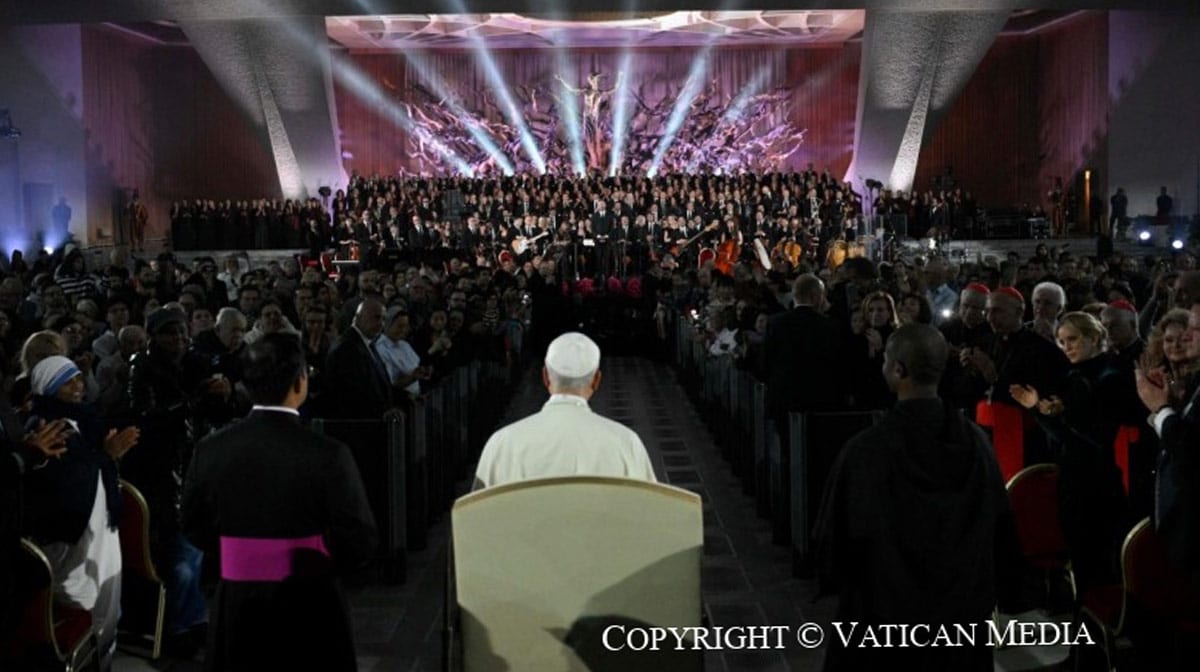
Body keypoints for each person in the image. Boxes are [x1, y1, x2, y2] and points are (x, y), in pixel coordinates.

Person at [815, 324, 1020, 672]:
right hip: (959, 622)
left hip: (884, 627)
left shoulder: (866, 450)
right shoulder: (975, 443)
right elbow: (999, 526)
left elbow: (831, 543)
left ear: (898, 370)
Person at [183, 334, 377, 672]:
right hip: (310, 600)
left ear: (246, 384)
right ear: (300, 380)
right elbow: (359, 537)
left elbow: (193, 524)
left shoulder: (211, 449)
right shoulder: (328, 453)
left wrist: (244, 555)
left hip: (238, 598)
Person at [22, 356, 139, 668]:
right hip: (75, 535)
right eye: (67, 381)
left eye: (77, 379)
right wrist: (106, 456)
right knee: (86, 602)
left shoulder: (82, 418)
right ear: (50, 388)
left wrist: (108, 456)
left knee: (107, 601)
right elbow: (65, 482)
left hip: (99, 525)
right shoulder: (46, 424)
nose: (77, 386)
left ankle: (103, 659)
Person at [1009, 312, 1128, 596]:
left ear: (1095, 338)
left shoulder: (1107, 377)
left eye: (1072, 339)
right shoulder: (1079, 375)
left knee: (1096, 571)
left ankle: (1094, 633)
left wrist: (1039, 412)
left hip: (1095, 486)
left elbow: (1084, 444)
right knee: (1085, 567)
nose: (1066, 347)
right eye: (1061, 341)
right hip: (1080, 481)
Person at [473, 332, 656, 490]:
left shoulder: (502, 443)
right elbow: (652, 514)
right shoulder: (626, 443)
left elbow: (474, 519)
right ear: (596, 381)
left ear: (545, 377)